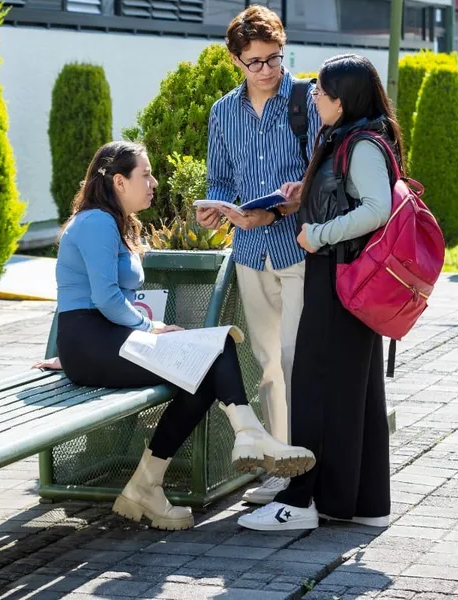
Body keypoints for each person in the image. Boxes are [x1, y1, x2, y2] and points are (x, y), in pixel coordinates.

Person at [55, 141, 315, 531]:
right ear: (119, 182)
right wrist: (153, 328)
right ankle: (245, 435)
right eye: (145, 174)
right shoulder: (96, 222)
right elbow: (105, 299)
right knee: (212, 354)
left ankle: (149, 483)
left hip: (105, 339)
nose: (154, 182)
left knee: (210, 361)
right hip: (93, 342)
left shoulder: (114, 221)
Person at [238, 54, 394, 533]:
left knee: (314, 387)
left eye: (322, 93)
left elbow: (376, 209)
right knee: (351, 393)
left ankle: (301, 501)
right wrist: (302, 194)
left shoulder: (362, 143)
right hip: (347, 279)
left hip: (340, 274)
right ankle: (362, 502)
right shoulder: (349, 136)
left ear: (342, 101)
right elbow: (344, 194)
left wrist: (319, 233)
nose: (314, 98)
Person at [196, 5, 319, 505]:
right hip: (249, 250)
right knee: (267, 364)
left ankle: (308, 462)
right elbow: (219, 179)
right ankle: (279, 465)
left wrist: (289, 200)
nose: (268, 70)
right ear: (235, 60)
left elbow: (325, 169)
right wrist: (217, 209)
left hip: (300, 245)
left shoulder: (308, 98)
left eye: (275, 58)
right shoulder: (222, 113)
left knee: (295, 360)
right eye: (256, 62)